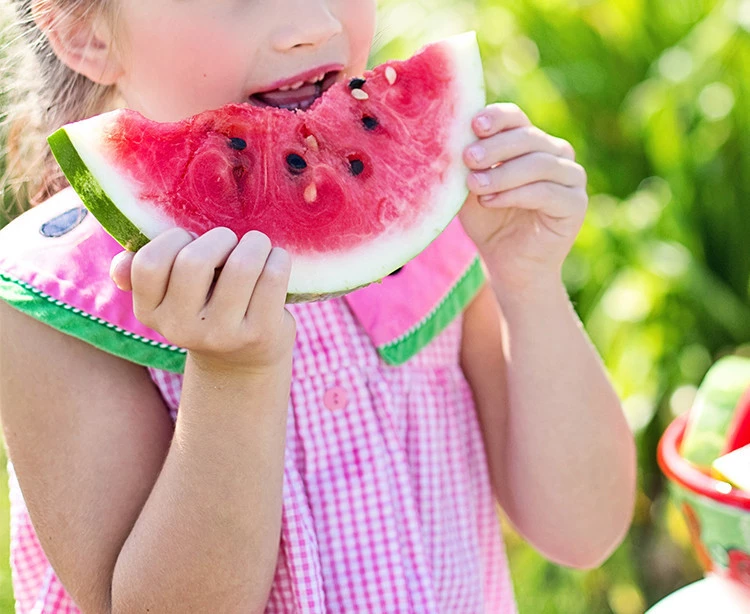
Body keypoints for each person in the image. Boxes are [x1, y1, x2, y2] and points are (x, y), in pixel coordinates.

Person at [0, 0, 636, 612]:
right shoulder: (56, 302)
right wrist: (233, 377)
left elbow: (583, 531)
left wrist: (529, 284)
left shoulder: (436, 218)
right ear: (85, 32)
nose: (313, 25)